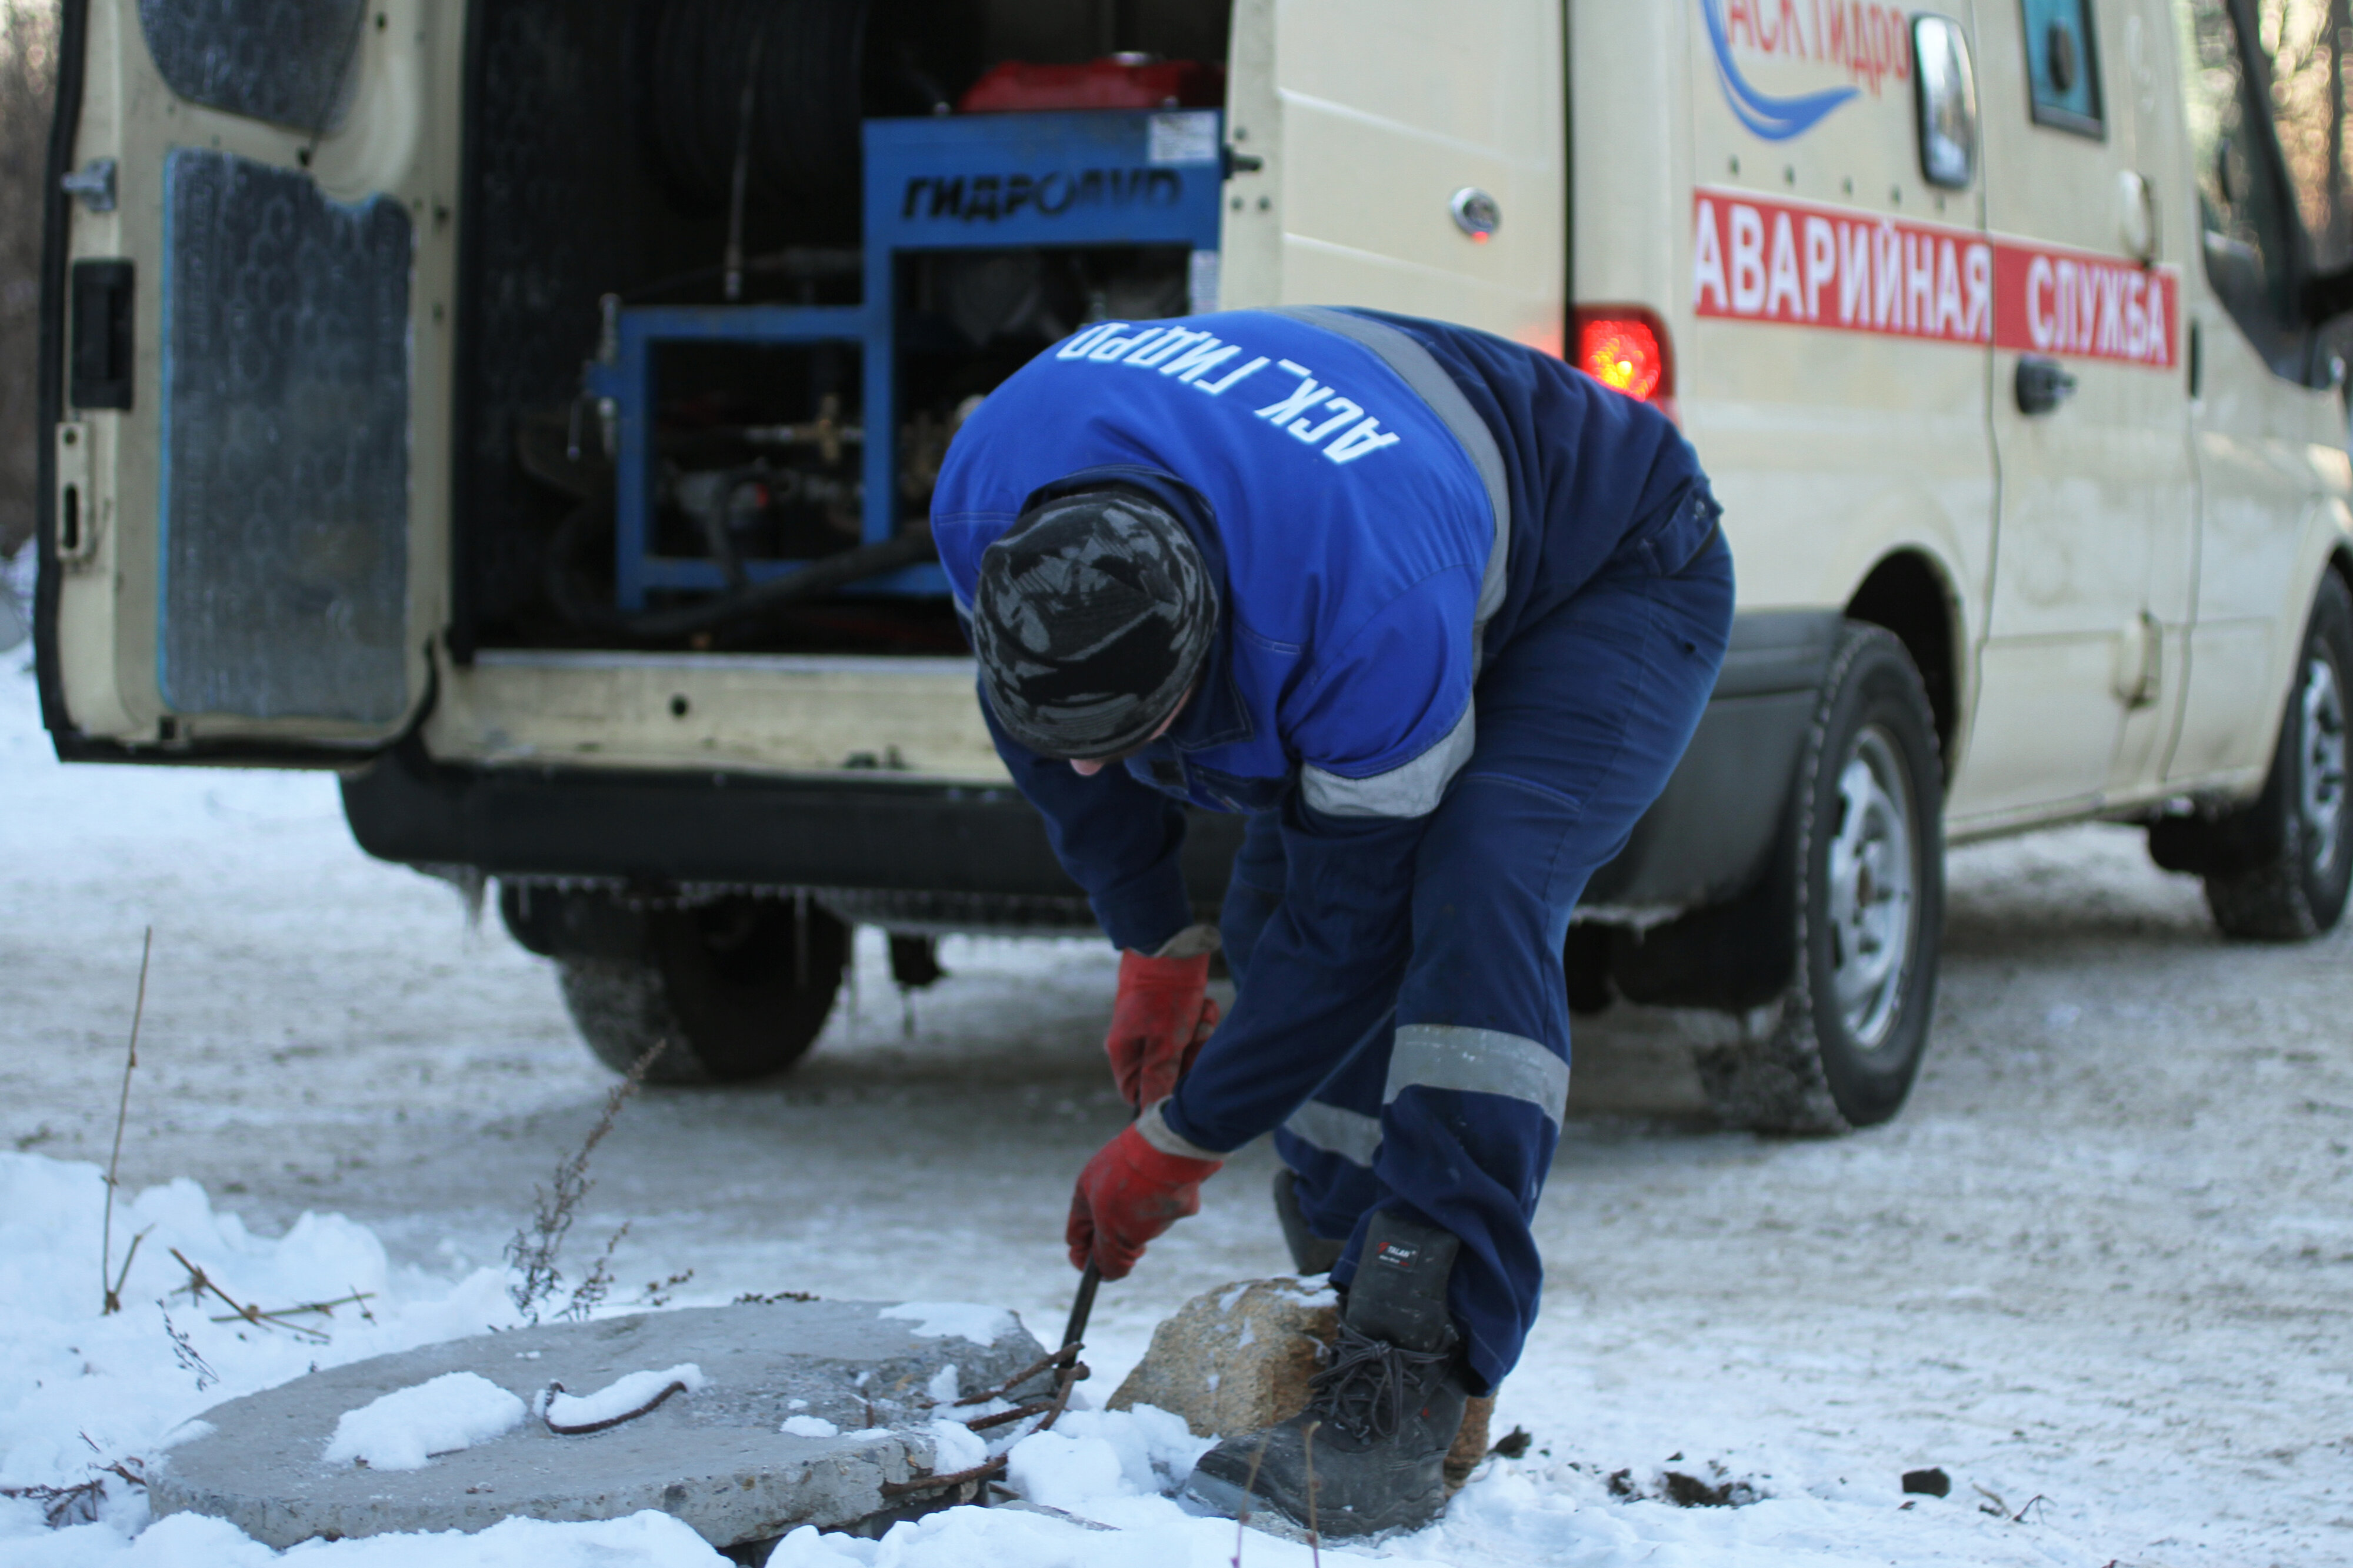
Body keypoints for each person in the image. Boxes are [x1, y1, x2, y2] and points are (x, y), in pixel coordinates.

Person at [930, 305, 1734, 1537]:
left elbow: (1355, 926)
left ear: (1207, 655)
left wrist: (1180, 1138)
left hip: (1610, 565)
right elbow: (1047, 741)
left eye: (1131, 740)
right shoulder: (992, 498)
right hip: (1382, 530)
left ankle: (1416, 1369)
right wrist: (1153, 938)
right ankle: (1340, 1283)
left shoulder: (1359, 614)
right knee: (1274, 921)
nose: (1093, 776)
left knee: (1473, 881)